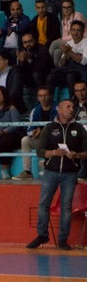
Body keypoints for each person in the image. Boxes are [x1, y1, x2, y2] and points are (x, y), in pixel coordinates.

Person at [27, 100, 87, 250]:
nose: (71, 109)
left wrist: (77, 155)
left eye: (72, 107)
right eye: (68, 107)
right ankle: (42, 235)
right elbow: (40, 151)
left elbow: (86, 152)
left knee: (66, 207)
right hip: (51, 172)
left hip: (70, 173)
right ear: (59, 110)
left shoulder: (79, 129)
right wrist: (54, 153)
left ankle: (62, 240)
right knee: (43, 204)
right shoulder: (49, 128)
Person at [13, 87, 57, 181]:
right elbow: (29, 129)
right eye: (41, 96)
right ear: (37, 98)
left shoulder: (57, 109)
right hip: (40, 139)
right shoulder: (35, 110)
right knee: (25, 140)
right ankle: (27, 172)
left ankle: (50, 170)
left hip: (54, 139)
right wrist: (33, 132)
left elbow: (58, 128)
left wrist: (44, 131)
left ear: (50, 96)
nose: (43, 98)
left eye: (45, 95)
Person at [48, 20, 87, 100]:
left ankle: (73, 100)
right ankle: (49, 101)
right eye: (73, 30)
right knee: (50, 76)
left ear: (83, 32)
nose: (75, 33)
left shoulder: (85, 42)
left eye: (78, 30)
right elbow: (62, 64)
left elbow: (83, 61)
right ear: (70, 31)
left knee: (70, 75)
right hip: (69, 69)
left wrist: (69, 52)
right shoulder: (69, 43)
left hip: (80, 71)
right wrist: (66, 54)